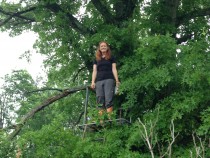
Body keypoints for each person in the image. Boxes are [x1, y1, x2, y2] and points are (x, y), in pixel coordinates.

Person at [91, 41, 120, 117]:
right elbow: (94, 70)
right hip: (99, 81)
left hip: (109, 79)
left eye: (104, 46)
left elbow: (114, 69)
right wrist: (93, 81)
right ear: (99, 48)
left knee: (108, 98)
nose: (103, 47)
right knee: (100, 100)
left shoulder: (111, 57)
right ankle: (101, 120)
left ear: (107, 48)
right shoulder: (96, 58)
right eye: (101, 46)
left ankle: (110, 119)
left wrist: (117, 81)